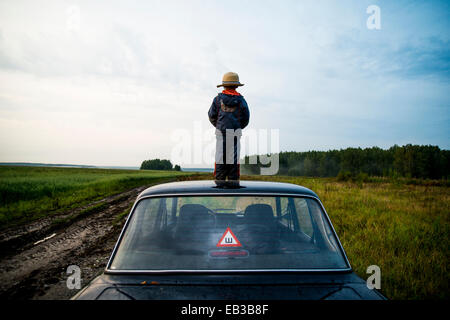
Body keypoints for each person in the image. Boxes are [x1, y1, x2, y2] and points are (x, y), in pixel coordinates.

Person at [208, 72, 250, 187]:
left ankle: (219, 185)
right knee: (234, 161)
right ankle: (233, 186)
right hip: (235, 134)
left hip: (220, 134)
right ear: (236, 86)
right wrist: (237, 128)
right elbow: (246, 119)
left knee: (220, 158)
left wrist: (219, 127)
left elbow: (211, 115)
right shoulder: (242, 101)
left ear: (224, 86)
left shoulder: (217, 100)